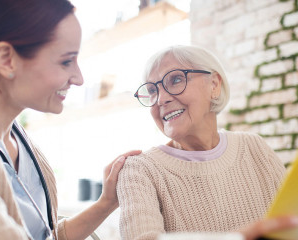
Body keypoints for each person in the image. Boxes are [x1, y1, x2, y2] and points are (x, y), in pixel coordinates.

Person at [0, 0, 141, 239]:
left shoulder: (20, 140)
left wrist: (107, 202)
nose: (79, 78)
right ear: (6, 59)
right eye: (66, 61)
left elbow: (46, 235)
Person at [116, 45, 298, 240]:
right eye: (152, 90)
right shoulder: (139, 170)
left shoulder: (254, 147)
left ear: (214, 85)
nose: (161, 99)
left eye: (176, 79)